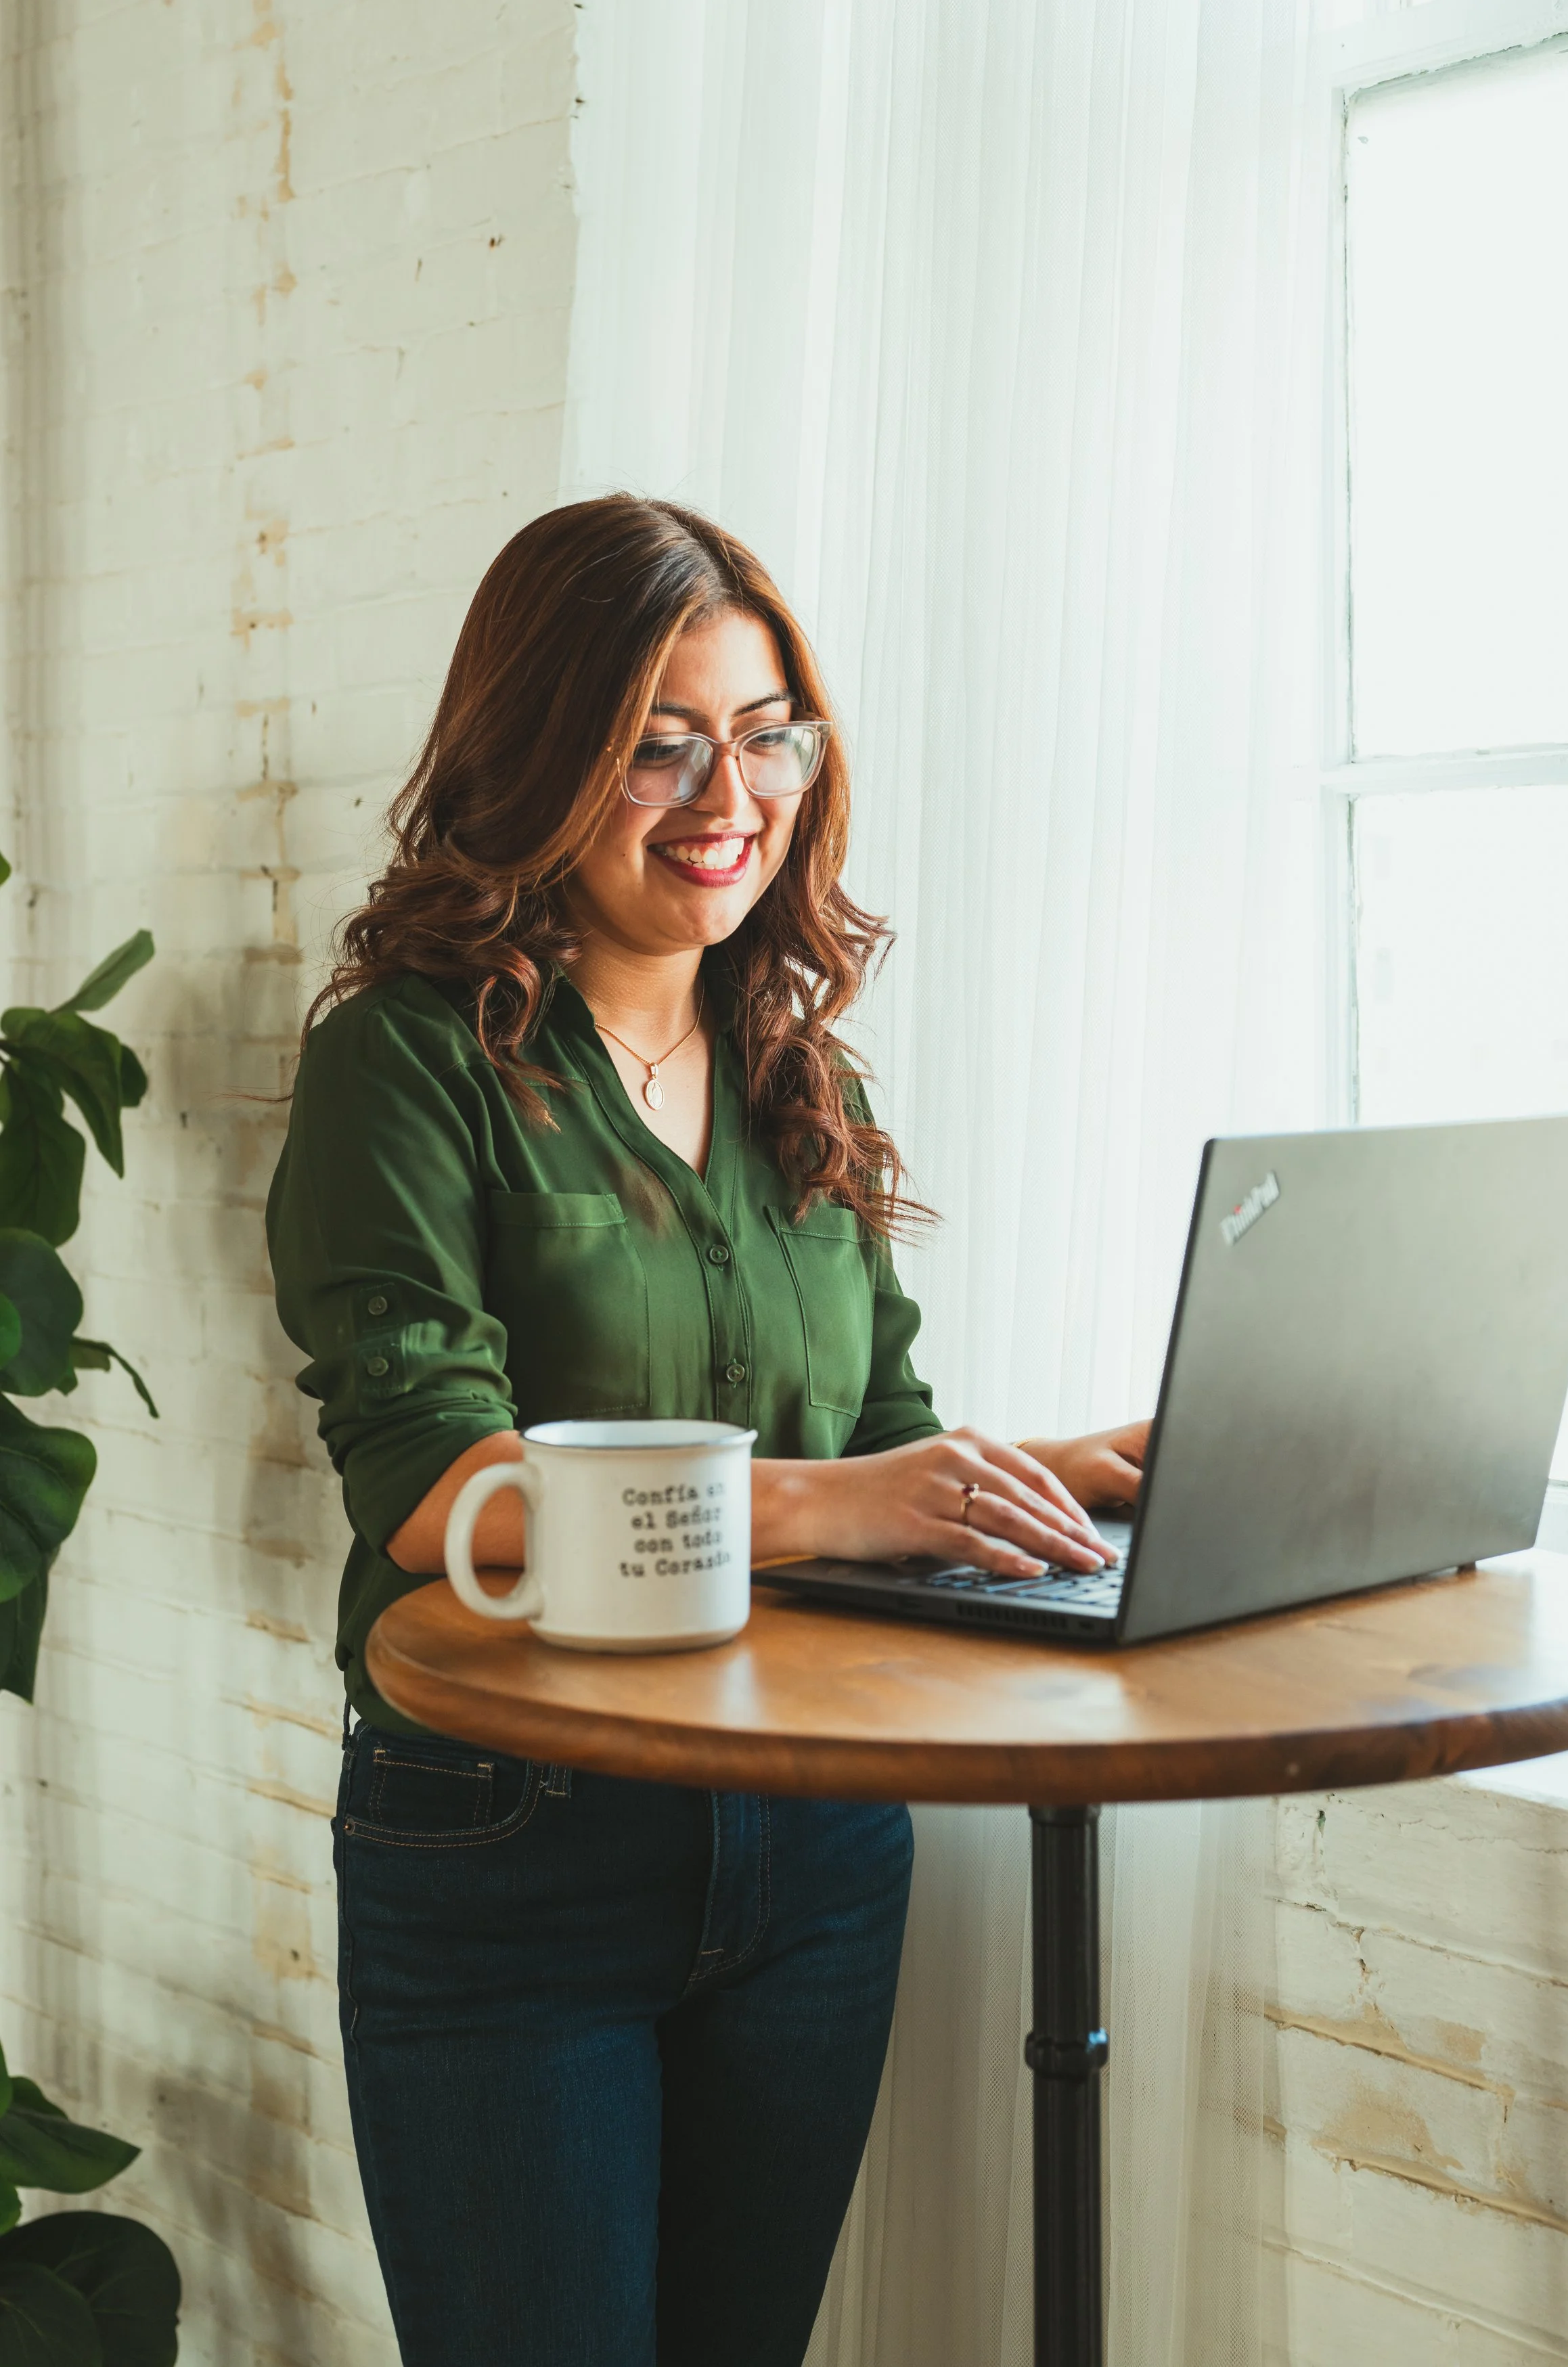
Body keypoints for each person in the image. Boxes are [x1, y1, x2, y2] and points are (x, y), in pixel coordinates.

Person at [266, 495, 1149, 2367]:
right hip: (512, 1838)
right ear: (540, 752)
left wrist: (1048, 1469)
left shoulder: (792, 1061)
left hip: (819, 1844)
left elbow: (878, 1431)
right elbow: (447, 1498)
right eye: (657, 740)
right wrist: (848, 1498)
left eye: (764, 735)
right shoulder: (405, 1063)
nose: (723, 790)